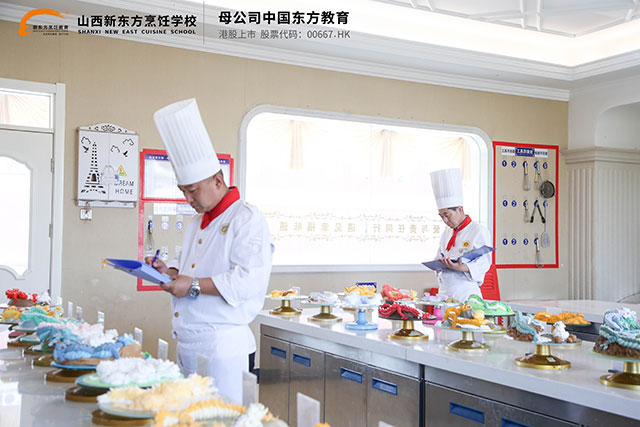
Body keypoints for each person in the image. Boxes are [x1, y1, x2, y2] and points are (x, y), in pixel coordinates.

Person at [146, 98, 273, 404]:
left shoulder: (247, 218)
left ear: (218, 181)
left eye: (193, 191)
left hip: (223, 349)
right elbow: (186, 268)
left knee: (222, 419)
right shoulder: (196, 222)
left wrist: (190, 285)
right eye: (183, 192)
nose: (188, 199)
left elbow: (247, 281)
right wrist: (168, 272)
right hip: (188, 343)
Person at [430, 168, 492, 302]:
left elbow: (484, 262)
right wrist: (439, 263)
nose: (445, 220)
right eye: (441, 216)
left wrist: (461, 267)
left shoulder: (478, 231)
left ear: (459, 209)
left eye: (447, 215)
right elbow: (439, 256)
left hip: (465, 292)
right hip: (444, 291)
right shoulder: (446, 233)